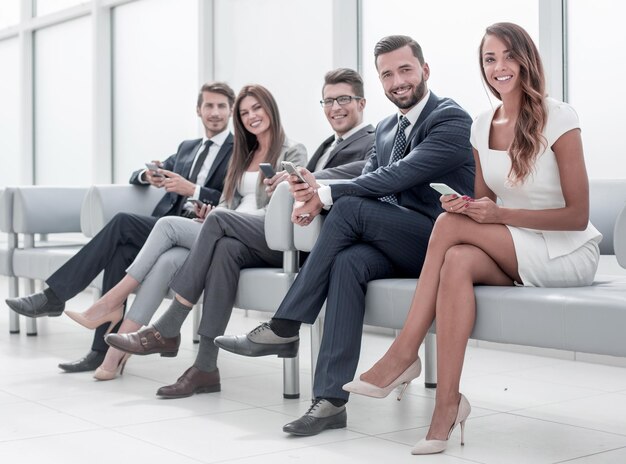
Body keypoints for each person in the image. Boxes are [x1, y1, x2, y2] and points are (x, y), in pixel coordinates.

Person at [343, 22, 602, 456]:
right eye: (489, 59)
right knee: (458, 257)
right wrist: (465, 208)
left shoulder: (560, 117)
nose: (499, 67)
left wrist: (496, 215)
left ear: (526, 59)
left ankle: (403, 353)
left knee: (449, 234)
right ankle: (446, 406)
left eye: (507, 56)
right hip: (515, 246)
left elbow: (578, 217)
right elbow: (483, 204)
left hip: (566, 251)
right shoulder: (481, 125)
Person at [214, 35, 475, 437]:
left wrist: (324, 195)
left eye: (405, 70)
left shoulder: (450, 118)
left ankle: (284, 326)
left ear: (425, 71)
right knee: (348, 261)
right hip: (396, 237)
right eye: (387, 74)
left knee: (349, 206)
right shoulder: (388, 128)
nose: (397, 81)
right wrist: (316, 195)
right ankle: (330, 402)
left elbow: (401, 175)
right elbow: (370, 178)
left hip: (441, 239)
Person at [101, 69, 376, 395]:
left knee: (212, 221)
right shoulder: (321, 145)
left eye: (342, 99)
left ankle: (168, 324)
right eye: (328, 101)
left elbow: (357, 173)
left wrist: (294, 180)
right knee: (224, 248)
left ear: (361, 102)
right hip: (265, 233)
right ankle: (204, 368)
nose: (335, 107)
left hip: (297, 240)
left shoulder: (369, 141)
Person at [5, 82, 236, 373]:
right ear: (198, 110)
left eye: (221, 107)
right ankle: (99, 352)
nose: (214, 112)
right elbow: (137, 175)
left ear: (229, 111)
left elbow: (233, 197)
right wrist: (147, 175)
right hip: (165, 227)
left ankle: (53, 297)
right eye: (209, 106)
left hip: (198, 228)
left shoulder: (238, 149)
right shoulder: (187, 148)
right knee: (121, 252)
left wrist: (194, 189)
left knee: (122, 223)